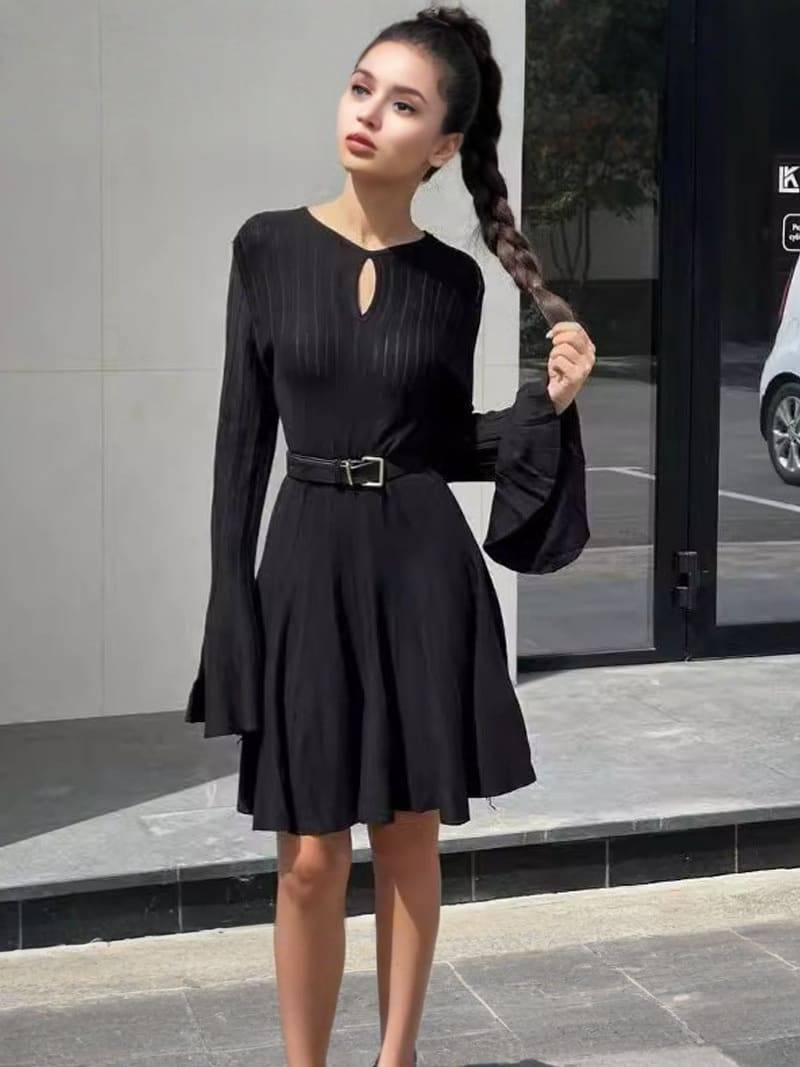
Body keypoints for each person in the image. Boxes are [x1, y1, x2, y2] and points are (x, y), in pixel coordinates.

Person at [185, 5, 595, 1065]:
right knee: (309, 857)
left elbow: (440, 443)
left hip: (417, 565)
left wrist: (543, 407)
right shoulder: (267, 246)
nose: (367, 113)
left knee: (408, 832)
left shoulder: (452, 283)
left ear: (443, 145)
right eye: (361, 86)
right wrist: (231, 611)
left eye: (402, 103)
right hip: (305, 564)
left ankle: (395, 1056)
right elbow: (240, 446)